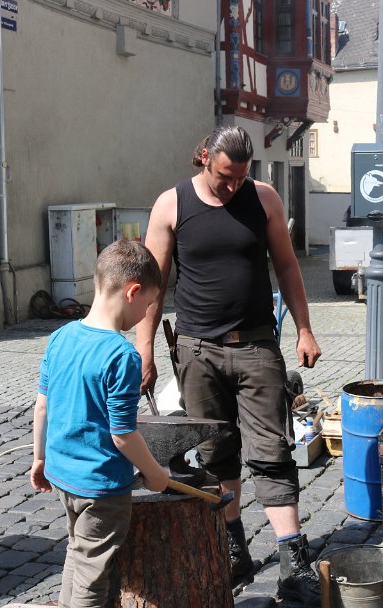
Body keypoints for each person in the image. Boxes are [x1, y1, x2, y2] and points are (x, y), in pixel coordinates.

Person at [136, 125, 323, 601]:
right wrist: (144, 350)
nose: (233, 185)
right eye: (225, 176)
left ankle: (293, 559)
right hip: (197, 349)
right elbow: (154, 285)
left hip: (257, 346)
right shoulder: (171, 205)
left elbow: (287, 266)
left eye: (240, 176)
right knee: (216, 451)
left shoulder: (264, 198)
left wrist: (304, 329)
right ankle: (233, 545)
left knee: (272, 451)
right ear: (204, 157)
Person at [30, 239, 169, 607]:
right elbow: (122, 434)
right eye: (148, 305)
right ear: (133, 292)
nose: (145, 314)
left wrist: (39, 458)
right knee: (92, 574)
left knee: (79, 553)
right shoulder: (122, 355)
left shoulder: (60, 337)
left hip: (62, 474)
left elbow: (42, 408)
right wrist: (154, 474)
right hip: (101, 487)